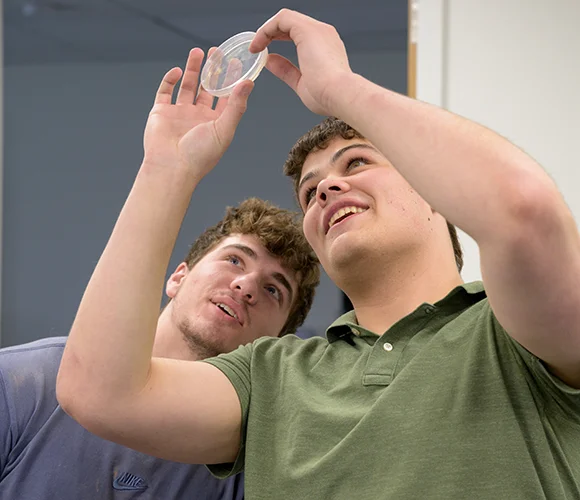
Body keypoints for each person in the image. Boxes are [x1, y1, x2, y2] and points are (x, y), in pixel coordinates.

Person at [57, 9, 580, 500]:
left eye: (355, 163)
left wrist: (342, 91)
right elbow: (99, 393)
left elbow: (524, 211)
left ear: (432, 190)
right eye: (310, 192)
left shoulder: (511, 330)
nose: (327, 189)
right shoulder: (272, 374)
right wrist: (166, 172)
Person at [0, 50, 319, 500]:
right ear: (178, 277)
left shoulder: (249, 458)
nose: (246, 286)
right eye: (234, 260)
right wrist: (169, 168)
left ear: (280, 340)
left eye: (273, 289)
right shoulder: (23, 385)